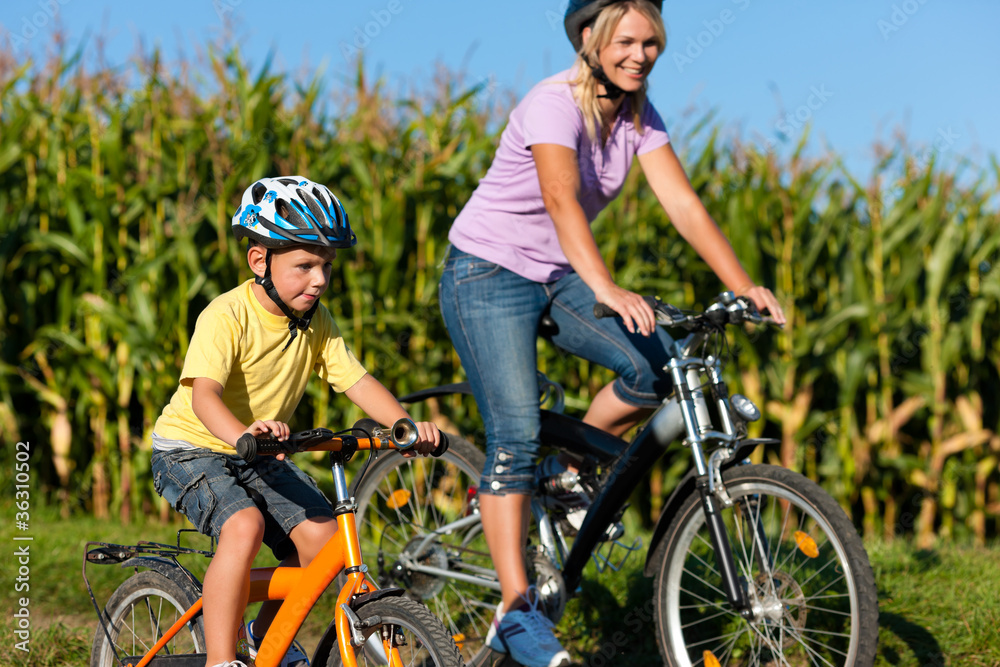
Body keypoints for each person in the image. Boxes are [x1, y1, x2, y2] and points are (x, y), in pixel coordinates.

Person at [437, 2, 786, 665]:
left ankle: (568, 475)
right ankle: (517, 611)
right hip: (486, 273)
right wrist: (605, 287)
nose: (641, 52)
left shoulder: (638, 117)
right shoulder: (553, 103)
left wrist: (740, 284)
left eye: (652, 40)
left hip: (558, 273)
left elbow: (682, 202)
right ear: (591, 40)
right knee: (512, 433)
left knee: (664, 364)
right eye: (627, 40)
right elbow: (562, 199)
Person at [151, 176, 441, 667]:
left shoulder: (315, 321)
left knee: (324, 542)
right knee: (242, 528)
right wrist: (242, 434)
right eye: (304, 265)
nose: (320, 279)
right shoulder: (226, 316)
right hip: (192, 448)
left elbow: (357, 381)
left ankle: (263, 640)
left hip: (257, 452)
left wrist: (404, 426)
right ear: (260, 261)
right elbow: (204, 397)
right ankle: (222, 661)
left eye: (326, 266)